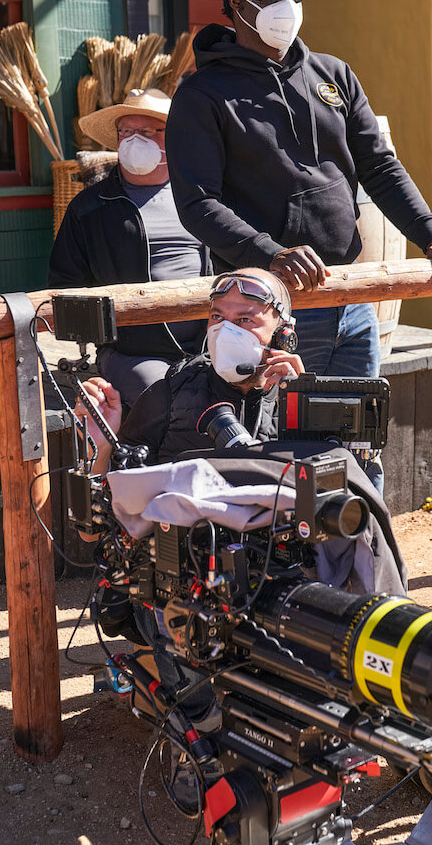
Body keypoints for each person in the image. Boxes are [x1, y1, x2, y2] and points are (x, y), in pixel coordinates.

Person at [78, 269, 406, 734]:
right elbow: (104, 520)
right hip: (183, 580)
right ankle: (201, 733)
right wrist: (103, 444)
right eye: (217, 317)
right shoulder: (173, 392)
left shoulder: (305, 397)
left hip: (279, 576)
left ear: (283, 333)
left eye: (247, 319)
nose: (225, 331)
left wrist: (305, 401)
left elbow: (344, 510)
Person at [165, 0, 432, 385]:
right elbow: (198, 204)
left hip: (351, 298)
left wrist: (430, 235)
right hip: (268, 307)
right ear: (235, 1)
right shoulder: (203, 96)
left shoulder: (334, 75)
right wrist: (271, 254)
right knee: (279, 444)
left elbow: (379, 166)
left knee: (359, 439)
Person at [49, 88, 211, 408]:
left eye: (148, 131)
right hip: (131, 353)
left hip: (210, 344)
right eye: (126, 131)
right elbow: (64, 285)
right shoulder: (90, 208)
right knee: (164, 396)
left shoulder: (203, 198)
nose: (135, 140)